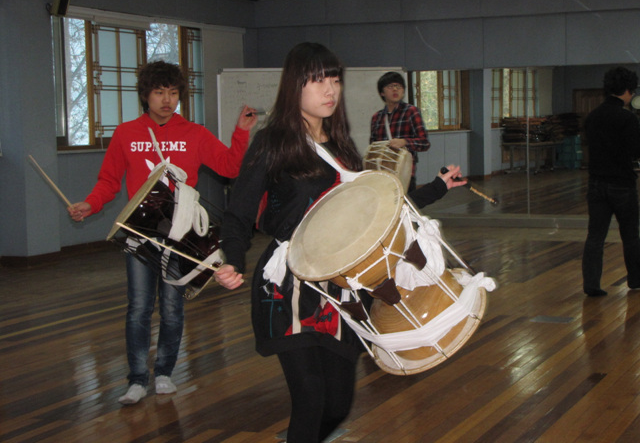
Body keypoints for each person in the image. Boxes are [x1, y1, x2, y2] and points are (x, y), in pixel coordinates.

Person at [214, 42, 465, 442]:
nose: (329, 89)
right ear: (295, 86)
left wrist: (437, 187)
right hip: (289, 287)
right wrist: (232, 259)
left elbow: (377, 216)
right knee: (310, 397)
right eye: (317, 80)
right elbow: (239, 211)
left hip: (344, 287)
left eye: (334, 79)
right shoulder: (273, 143)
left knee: (337, 405)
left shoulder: (343, 148)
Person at [68, 60, 258, 404]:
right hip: (140, 234)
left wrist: (241, 132)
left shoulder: (195, 134)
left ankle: (165, 372)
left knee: (172, 308)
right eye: (159, 92)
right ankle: (137, 379)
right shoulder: (126, 133)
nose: (166, 100)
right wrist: (90, 205)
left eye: (172, 93)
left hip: (181, 235)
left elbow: (229, 166)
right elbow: (109, 182)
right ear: (146, 95)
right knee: (138, 307)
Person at [582, 66, 640, 297]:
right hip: (622, 184)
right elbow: (636, 151)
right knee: (630, 235)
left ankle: (591, 285)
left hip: (595, 184)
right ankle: (635, 280)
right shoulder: (627, 118)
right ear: (627, 90)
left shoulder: (592, 117)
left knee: (595, 236)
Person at [370, 71, 431, 193]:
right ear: (382, 92)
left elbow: (424, 143)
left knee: (406, 209)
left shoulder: (411, 112)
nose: (395, 89)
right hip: (384, 175)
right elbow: (373, 147)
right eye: (390, 86)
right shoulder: (377, 117)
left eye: (398, 86)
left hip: (405, 174)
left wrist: (405, 142)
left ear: (403, 91)